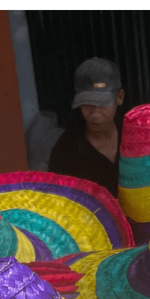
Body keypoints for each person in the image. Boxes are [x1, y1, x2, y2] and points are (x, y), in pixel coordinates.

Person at [48, 57, 125, 197]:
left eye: (102, 103)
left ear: (119, 97)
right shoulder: (65, 151)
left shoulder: (136, 135)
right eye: (87, 104)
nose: (95, 114)